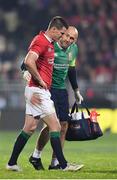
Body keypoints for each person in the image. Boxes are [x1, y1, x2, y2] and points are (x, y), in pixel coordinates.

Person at [6, 16, 82, 172]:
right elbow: (27, 61)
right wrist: (34, 77)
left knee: (29, 128)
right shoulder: (42, 41)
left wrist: (76, 90)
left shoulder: (51, 44)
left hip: (38, 91)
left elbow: (70, 69)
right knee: (55, 126)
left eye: (69, 37)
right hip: (39, 90)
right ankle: (63, 164)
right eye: (62, 34)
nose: (64, 37)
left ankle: (12, 162)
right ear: (54, 30)